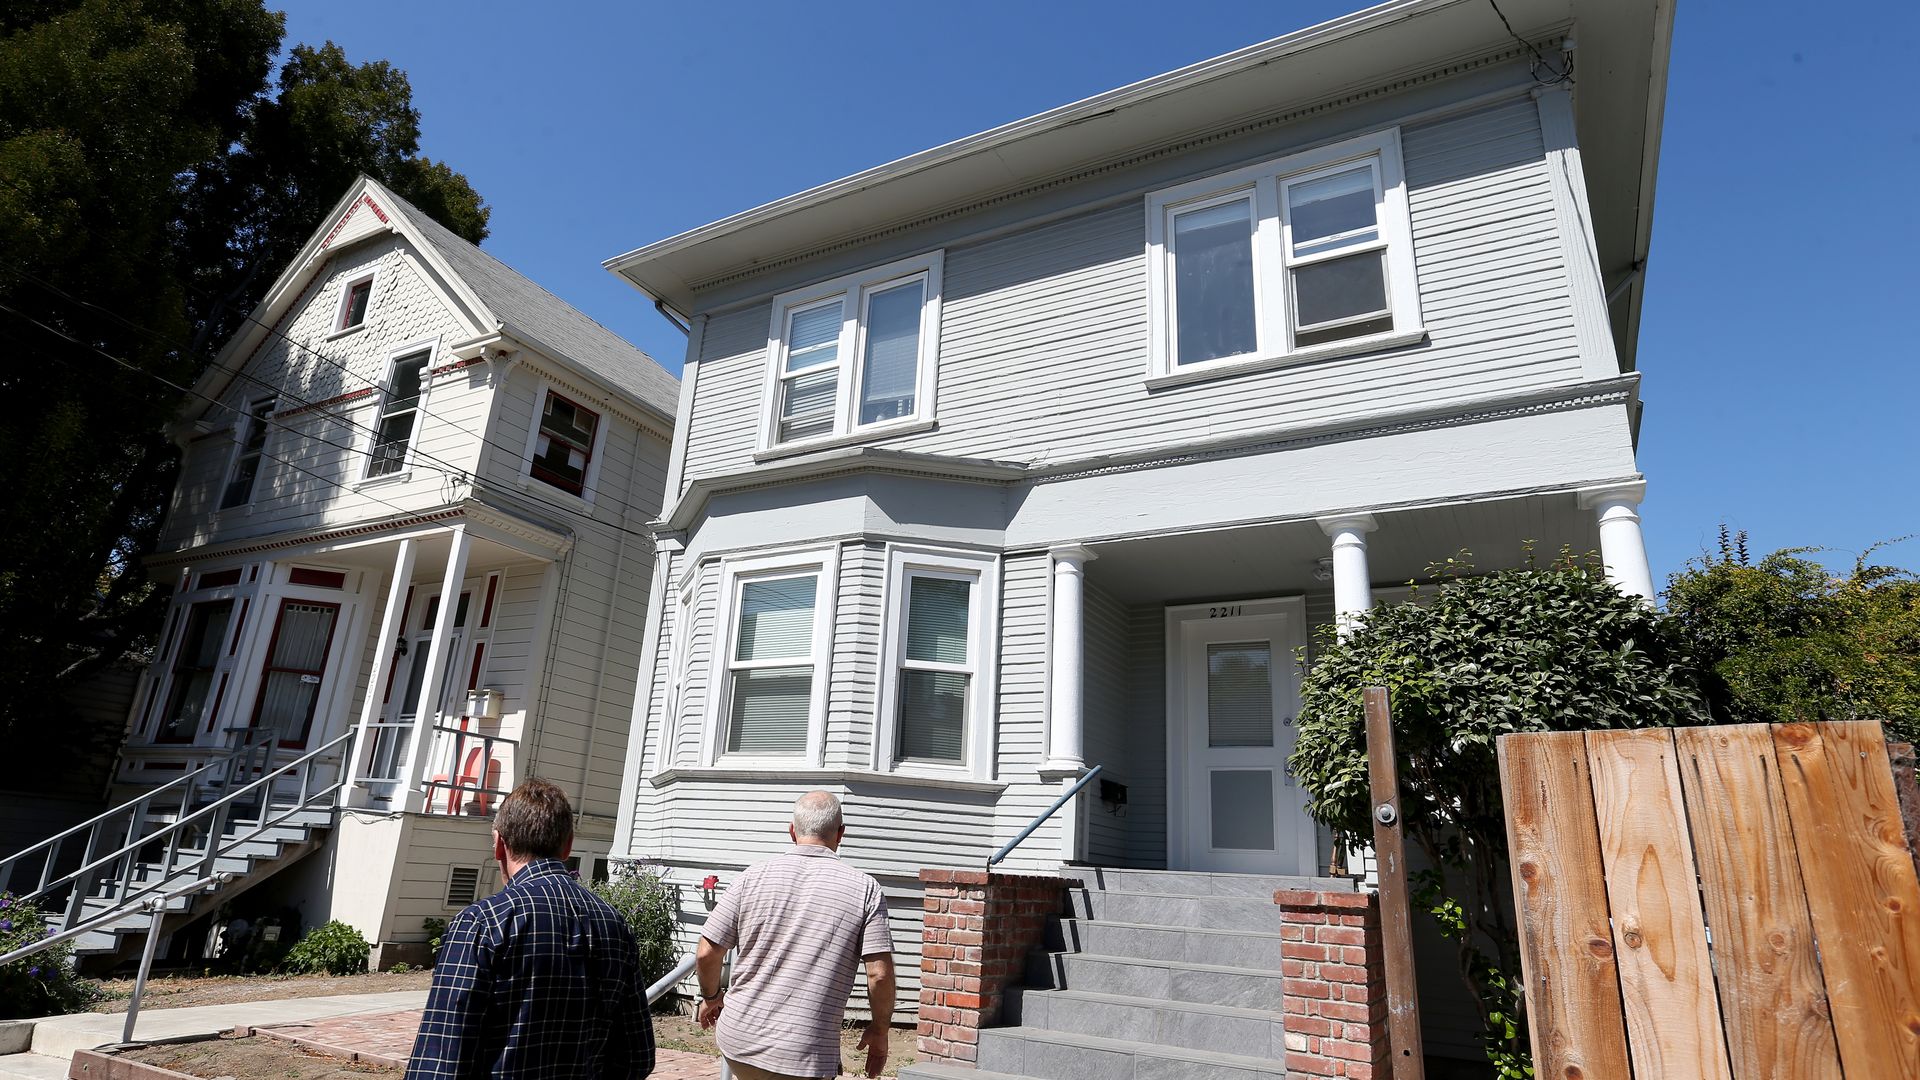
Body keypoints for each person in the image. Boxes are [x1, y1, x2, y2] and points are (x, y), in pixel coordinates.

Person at [406, 778, 654, 1079]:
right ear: (568, 846)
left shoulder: (482, 923)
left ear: (499, 844)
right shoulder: (613, 924)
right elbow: (636, 1057)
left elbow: (441, 1059)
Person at [696, 791, 896, 1080]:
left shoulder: (752, 877)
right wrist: (880, 1030)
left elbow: (706, 952)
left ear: (792, 831)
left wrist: (711, 996)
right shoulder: (866, 890)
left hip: (739, 1042)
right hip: (806, 1053)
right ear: (841, 834)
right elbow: (879, 975)